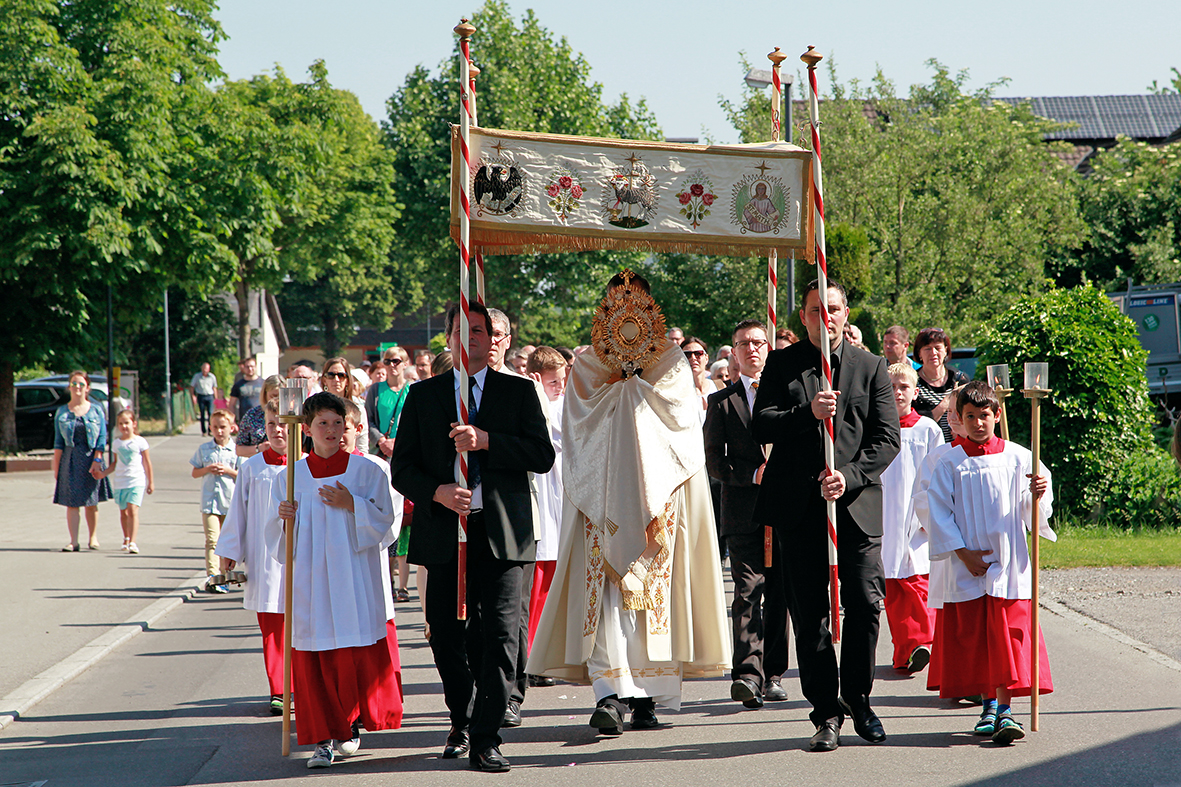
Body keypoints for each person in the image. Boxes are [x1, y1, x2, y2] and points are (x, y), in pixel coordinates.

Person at [527, 270, 730, 737]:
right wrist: (619, 383)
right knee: (606, 600)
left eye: (634, 300)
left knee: (656, 600)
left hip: (659, 503)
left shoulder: (672, 361)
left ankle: (648, 701)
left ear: (649, 307)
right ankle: (610, 695)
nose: (626, 309)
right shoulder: (588, 364)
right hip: (602, 503)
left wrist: (637, 383)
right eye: (617, 300)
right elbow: (576, 423)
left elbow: (682, 423)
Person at [390, 302, 554, 773]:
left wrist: (487, 441)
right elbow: (403, 469)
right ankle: (461, 716)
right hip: (446, 533)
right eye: (463, 330)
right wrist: (437, 492)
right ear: (449, 338)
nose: (473, 337)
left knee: (500, 637)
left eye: (480, 330)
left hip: (503, 534)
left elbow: (542, 455)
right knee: (446, 635)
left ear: (494, 338)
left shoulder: (518, 391)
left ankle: (486, 736)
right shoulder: (423, 395)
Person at [751, 278, 900, 752]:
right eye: (816, 310)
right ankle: (825, 713)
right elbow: (761, 423)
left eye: (833, 308)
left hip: (854, 509)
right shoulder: (783, 364)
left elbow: (887, 438)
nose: (826, 317)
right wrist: (807, 413)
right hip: (799, 509)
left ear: (845, 313)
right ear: (804, 317)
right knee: (810, 614)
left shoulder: (870, 367)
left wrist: (848, 477)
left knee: (865, 604)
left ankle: (858, 698)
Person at [270, 392, 403, 768]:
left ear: (348, 426)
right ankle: (322, 739)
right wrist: (284, 519)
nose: (331, 430)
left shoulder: (367, 472)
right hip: (311, 582)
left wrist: (352, 505)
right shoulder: (290, 478)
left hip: (353, 578)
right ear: (307, 429)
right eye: (323, 423)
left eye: (338, 422)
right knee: (315, 659)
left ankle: (350, 724)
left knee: (350, 656)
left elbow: (386, 525)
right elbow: (277, 542)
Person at [924, 381, 1054, 744]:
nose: (978, 423)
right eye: (970, 417)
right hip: (967, 564)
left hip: (1008, 561)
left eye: (984, 415)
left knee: (1007, 637)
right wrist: (962, 553)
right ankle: (987, 706)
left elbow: (1032, 511)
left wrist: (1037, 495)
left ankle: (1006, 709)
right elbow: (939, 512)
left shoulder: (1019, 457)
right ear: (959, 419)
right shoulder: (949, 462)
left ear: (997, 415)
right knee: (978, 638)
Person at [704, 319, 790, 710]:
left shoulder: (787, 396)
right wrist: (753, 474)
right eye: (743, 344)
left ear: (768, 347)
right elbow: (713, 461)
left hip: (784, 511)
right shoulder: (722, 402)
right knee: (747, 590)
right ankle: (747, 676)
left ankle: (774, 674)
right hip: (742, 512)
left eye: (758, 342)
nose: (752, 349)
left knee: (779, 593)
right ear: (734, 353)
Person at [216, 400, 291, 715]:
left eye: (283, 424)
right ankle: (280, 689)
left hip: (300, 559)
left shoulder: (307, 465)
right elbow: (238, 512)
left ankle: (302, 686)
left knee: (301, 626)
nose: (277, 430)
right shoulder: (252, 468)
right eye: (272, 424)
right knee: (272, 628)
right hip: (264, 560)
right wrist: (230, 551)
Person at [879, 363, 943, 672]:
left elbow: (939, 473)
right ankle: (904, 651)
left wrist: (932, 513)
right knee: (893, 587)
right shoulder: (876, 427)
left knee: (918, 582)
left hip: (917, 516)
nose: (897, 393)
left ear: (915, 392)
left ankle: (923, 642)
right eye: (891, 387)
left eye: (903, 387)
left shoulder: (928, 430)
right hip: (884, 516)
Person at [523, 347, 567, 672]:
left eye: (563, 380)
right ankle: (532, 654)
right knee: (537, 583)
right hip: (538, 494)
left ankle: (552, 652)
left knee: (557, 580)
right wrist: (536, 395)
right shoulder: (528, 402)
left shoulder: (567, 406)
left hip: (562, 493)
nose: (560, 388)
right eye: (553, 382)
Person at [52, 370, 112, 552]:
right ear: (69, 387)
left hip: (90, 458)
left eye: (81, 384)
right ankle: (74, 541)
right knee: (72, 502)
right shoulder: (62, 412)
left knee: (91, 501)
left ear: (87, 388)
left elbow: (102, 438)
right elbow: (58, 442)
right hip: (70, 459)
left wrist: (98, 459)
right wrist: (56, 467)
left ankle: (93, 538)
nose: (77, 387)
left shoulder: (96, 410)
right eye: (74, 383)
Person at [190, 409, 241, 593]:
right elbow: (195, 472)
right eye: (215, 427)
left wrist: (228, 471)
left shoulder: (237, 450)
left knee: (226, 542)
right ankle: (213, 576)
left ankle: (225, 576)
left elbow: (242, 476)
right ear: (210, 428)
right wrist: (207, 469)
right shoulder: (204, 449)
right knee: (212, 540)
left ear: (231, 428)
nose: (219, 431)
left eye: (223, 427)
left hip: (230, 503)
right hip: (209, 503)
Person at [100, 409, 153, 554]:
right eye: (121, 424)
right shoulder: (116, 443)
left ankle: (133, 542)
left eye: (127, 423)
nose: (124, 426)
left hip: (136, 480)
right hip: (121, 482)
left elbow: (147, 462)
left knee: (132, 509)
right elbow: (115, 463)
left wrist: (150, 482)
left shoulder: (140, 441)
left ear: (134, 424)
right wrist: (103, 473)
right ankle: (126, 538)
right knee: (124, 512)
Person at [913, 327, 970, 443]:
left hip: (958, 446)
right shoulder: (913, 383)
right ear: (919, 354)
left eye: (937, 348)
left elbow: (971, 413)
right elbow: (919, 424)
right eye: (927, 349)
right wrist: (948, 400)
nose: (933, 353)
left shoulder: (959, 379)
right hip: (928, 446)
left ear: (945, 351)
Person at [320, 357, 369, 456]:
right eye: (331, 375)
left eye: (341, 375)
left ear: (347, 380)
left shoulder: (358, 409)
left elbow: (362, 445)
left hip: (351, 460)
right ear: (324, 380)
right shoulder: (316, 408)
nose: (336, 379)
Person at [236, 375, 283, 459]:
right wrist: (259, 448)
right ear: (265, 394)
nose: (277, 400)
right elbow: (239, 450)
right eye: (273, 396)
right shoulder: (252, 415)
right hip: (259, 462)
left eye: (281, 396)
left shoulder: (291, 416)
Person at [681, 336, 712, 421]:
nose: (693, 358)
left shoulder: (719, 386)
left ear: (706, 358)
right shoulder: (677, 392)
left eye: (698, 353)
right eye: (687, 355)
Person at [229, 356, 263, 423]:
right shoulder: (238, 385)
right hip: (244, 421)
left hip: (261, 420)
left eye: (252, 366)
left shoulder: (263, 383)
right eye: (247, 367)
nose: (250, 369)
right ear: (243, 368)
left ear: (256, 367)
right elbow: (232, 404)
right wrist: (232, 421)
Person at [190, 363, 218, 436]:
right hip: (201, 395)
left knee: (210, 413)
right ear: (201, 368)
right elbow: (192, 386)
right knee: (202, 414)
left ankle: (210, 430)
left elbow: (214, 387)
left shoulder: (212, 377)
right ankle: (204, 431)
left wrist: (216, 398)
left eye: (206, 369)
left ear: (209, 369)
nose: (205, 370)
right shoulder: (197, 376)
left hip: (210, 396)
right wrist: (193, 396)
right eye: (204, 368)